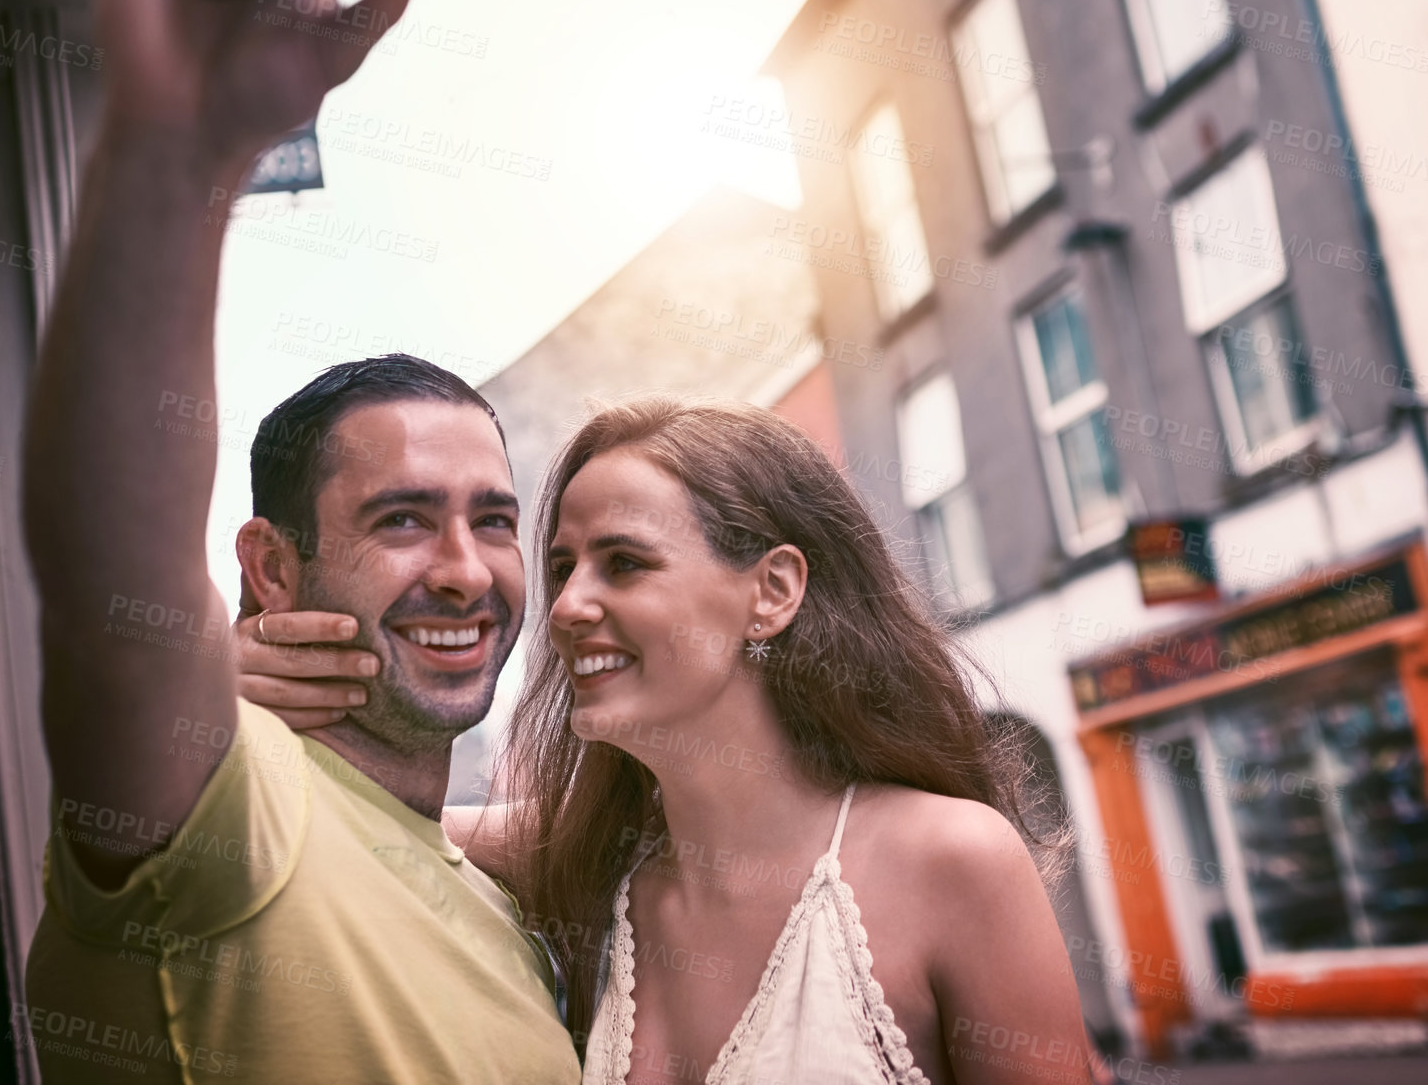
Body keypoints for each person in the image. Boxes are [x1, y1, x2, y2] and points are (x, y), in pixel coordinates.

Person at [20, 0, 578, 1083]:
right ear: (271, 570)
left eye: (492, 518)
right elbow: (115, 597)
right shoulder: (232, 821)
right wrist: (186, 142)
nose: (465, 569)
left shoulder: (502, 907)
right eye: (399, 518)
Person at [243, 397, 1101, 1084]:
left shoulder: (949, 860)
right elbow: (386, 808)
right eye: (563, 566)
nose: (570, 606)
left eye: (624, 563)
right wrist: (228, 677)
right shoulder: (577, 860)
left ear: (772, 590)